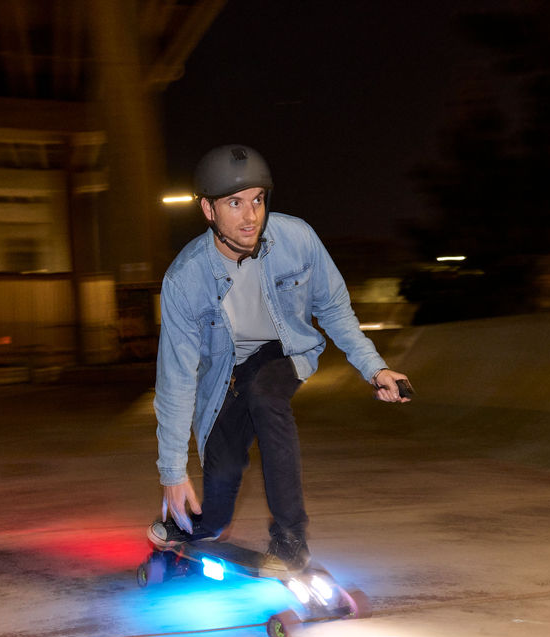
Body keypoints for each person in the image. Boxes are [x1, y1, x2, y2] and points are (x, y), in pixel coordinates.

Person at [148, 144, 411, 571]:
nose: (251, 216)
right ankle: (198, 524)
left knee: (266, 394)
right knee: (223, 471)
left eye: (258, 200)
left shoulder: (298, 238)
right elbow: (176, 376)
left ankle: (290, 537)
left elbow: (334, 309)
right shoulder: (184, 279)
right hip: (225, 376)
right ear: (208, 210)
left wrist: (375, 368)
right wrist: (172, 471)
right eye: (235, 203)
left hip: (285, 352)